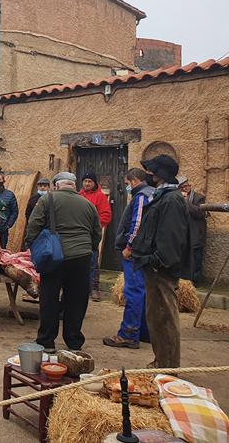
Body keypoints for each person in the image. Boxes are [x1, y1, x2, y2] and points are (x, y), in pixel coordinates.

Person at [25, 172, 102, 353]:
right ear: (74, 186)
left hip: (55, 257)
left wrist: (32, 245)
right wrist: (87, 248)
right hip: (81, 258)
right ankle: (74, 341)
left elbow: (33, 226)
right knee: (77, 300)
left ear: (56, 186)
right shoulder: (88, 204)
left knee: (49, 298)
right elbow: (97, 233)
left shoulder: (47, 200)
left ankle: (46, 341)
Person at [131, 155, 192, 368]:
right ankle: (161, 361)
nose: (148, 174)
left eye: (151, 171)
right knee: (156, 317)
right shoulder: (163, 196)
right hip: (155, 268)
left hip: (162, 270)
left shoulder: (171, 199)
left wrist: (156, 262)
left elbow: (171, 238)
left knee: (165, 319)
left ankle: (167, 368)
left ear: (159, 174)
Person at [103, 168, 154, 349]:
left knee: (134, 291)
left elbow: (137, 223)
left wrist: (129, 246)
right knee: (144, 291)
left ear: (133, 181)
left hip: (136, 252)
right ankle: (144, 332)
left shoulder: (141, 196)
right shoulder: (153, 194)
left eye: (126, 184)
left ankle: (129, 334)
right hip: (147, 252)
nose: (126, 187)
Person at [79, 172, 112, 301]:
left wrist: (93, 226)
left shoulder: (100, 197)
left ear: (94, 183)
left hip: (91, 235)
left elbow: (106, 215)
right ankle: (80, 288)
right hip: (77, 235)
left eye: (89, 181)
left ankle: (94, 288)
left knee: (92, 262)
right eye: (85, 181)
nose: (87, 184)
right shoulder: (78, 195)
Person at [177, 175, 208, 284]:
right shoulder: (178, 198)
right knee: (185, 259)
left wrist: (186, 202)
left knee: (196, 259)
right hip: (184, 234)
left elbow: (199, 213)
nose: (186, 188)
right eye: (183, 187)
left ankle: (196, 281)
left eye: (187, 185)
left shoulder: (199, 198)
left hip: (196, 235)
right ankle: (185, 281)